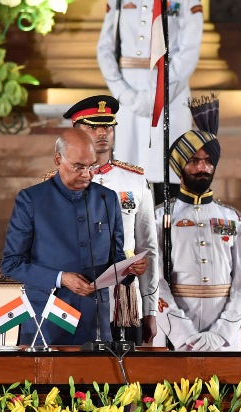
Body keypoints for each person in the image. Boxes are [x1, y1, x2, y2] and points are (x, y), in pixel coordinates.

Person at [1, 129, 145, 345]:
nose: (87, 174)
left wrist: (130, 269)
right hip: (46, 322)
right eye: (79, 167)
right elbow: (11, 265)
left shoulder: (107, 198)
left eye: (91, 167)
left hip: (96, 323)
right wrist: (61, 278)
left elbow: (115, 259)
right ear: (58, 159)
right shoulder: (31, 199)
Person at [63, 95, 159, 345]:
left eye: (107, 125)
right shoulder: (58, 182)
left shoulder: (135, 181)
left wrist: (150, 309)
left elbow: (148, 248)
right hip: (75, 292)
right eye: (92, 126)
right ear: (76, 132)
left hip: (123, 296)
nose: (102, 132)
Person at [154, 123, 241, 351]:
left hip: (223, 339)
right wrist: (183, 334)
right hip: (176, 336)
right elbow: (154, 282)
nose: (203, 167)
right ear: (180, 167)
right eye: (194, 161)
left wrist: (221, 332)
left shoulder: (233, 219)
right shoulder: (159, 219)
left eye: (209, 161)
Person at [96, 0, 204, 199]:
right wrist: (123, 93)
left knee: (167, 175)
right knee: (127, 178)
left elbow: (189, 49)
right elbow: (105, 49)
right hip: (129, 100)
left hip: (171, 95)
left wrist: (160, 93)